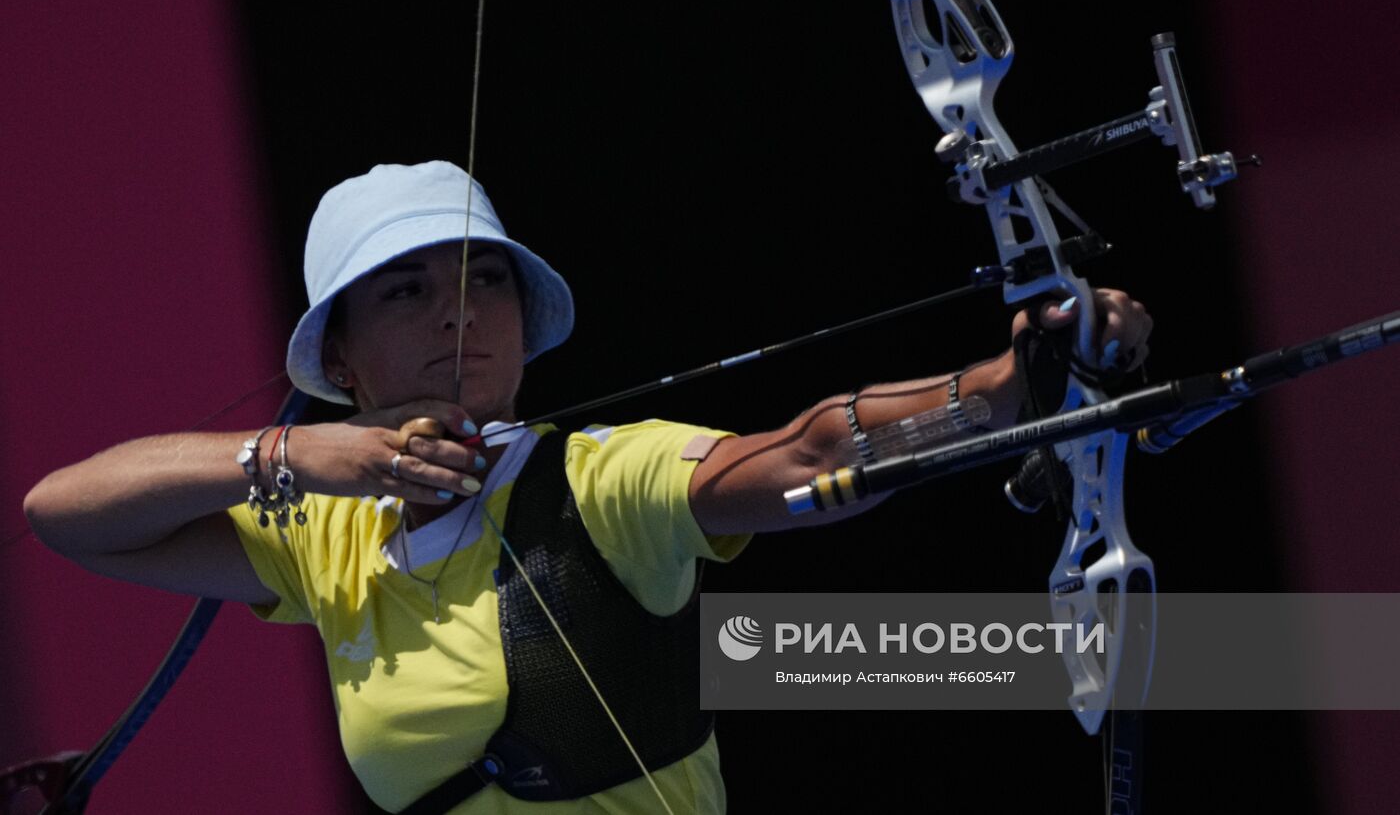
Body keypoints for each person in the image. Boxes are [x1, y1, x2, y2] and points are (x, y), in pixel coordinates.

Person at [23, 160, 1153, 813]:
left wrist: (1010, 386)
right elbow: (65, 515)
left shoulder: (593, 480)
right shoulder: (323, 541)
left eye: (483, 281)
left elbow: (806, 456)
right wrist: (289, 459)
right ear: (342, 359)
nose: (458, 312)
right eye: (407, 291)